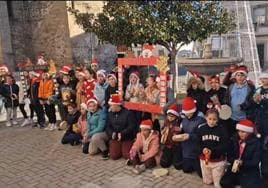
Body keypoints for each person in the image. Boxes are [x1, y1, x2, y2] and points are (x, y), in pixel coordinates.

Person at [220, 119, 262, 188]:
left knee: (251, 185)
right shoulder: (234, 140)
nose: (240, 133)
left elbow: (255, 162)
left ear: (249, 132)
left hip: (249, 169)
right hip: (235, 166)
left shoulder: (256, 143)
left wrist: (243, 162)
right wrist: (234, 161)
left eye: (243, 132)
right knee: (224, 182)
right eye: (239, 131)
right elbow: (229, 156)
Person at [197, 109, 228, 187]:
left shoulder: (222, 130)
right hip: (205, 160)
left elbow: (224, 146)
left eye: (214, 119)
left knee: (217, 184)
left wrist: (212, 151)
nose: (211, 121)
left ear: (218, 119)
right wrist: (202, 149)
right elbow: (198, 143)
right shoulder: (201, 129)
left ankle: (223, 171)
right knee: (207, 182)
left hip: (217, 161)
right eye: (210, 119)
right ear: (206, 118)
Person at [224, 65, 255, 137]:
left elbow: (252, 100)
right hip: (232, 117)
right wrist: (226, 106)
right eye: (238, 75)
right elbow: (226, 98)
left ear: (245, 76)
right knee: (232, 136)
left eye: (242, 75)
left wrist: (244, 106)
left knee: (243, 136)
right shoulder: (231, 86)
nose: (240, 77)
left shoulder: (250, 87)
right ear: (235, 76)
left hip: (244, 117)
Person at [179, 97, 205, 176]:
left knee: (201, 174)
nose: (188, 115)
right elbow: (182, 131)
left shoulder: (201, 120)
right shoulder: (184, 119)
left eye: (189, 113)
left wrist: (189, 136)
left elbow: (201, 137)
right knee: (186, 169)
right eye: (186, 114)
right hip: (187, 149)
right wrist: (177, 132)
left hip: (197, 150)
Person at [106, 94, 136, 160]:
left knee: (126, 155)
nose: (110, 107)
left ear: (117, 105)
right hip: (115, 137)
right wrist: (112, 133)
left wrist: (122, 133)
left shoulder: (128, 113)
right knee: (114, 156)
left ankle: (124, 148)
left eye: (111, 105)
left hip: (126, 137)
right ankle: (118, 148)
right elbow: (107, 126)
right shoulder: (110, 113)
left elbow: (132, 126)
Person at [253, 70, 268, 186]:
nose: (264, 80)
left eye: (266, 78)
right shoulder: (258, 90)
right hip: (260, 118)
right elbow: (255, 102)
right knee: (259, 139)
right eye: (263, 78)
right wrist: (256, 101)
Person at [160, 104, 183, 170]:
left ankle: (175, 159)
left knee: (178, 166)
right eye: (169, 116)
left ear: (176, 116)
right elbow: (162, 129)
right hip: (168, 144)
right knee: (164, 164)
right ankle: (169, 158)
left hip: (176, 145)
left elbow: (178, 132)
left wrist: (174, 130)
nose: (170, 118)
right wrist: (163, 130)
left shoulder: (178, 123)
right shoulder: (166, 122)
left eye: (172, 116)